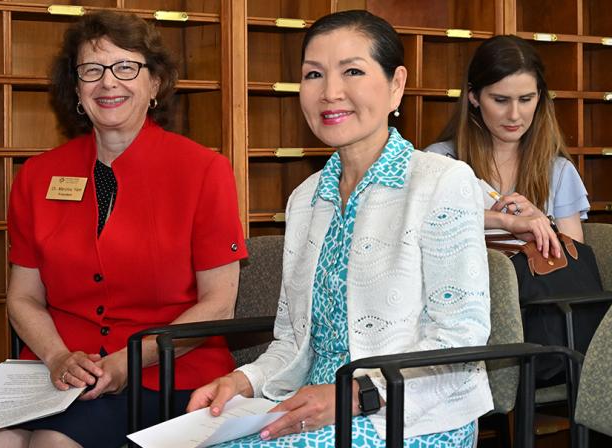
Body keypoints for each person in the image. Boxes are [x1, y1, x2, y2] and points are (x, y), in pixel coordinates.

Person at [186, 10, 493, 447]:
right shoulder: (306, 199)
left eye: (352, 71)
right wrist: (242, 382)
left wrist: (353, 396)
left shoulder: (442, 180)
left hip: (413, 417)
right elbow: (293, 342)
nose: (330, 92)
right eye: (314, 74)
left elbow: (459, 338)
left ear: (396, 85)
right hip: (312, 404)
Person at [0, 10, 247, 448]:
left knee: (53, 444)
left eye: (126, 67)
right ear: (76, 89)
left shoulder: (204, 170)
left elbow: (218, 306)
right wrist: (58, 356)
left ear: (154, 84)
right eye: (91, 70)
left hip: (163, 372)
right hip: (58, 371)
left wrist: (124, 364)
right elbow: (23, 297)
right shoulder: (38, 176)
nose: (108, 82)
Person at [426, 35, 590, 259]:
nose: (514, 115)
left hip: (537, 292)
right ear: (474, 97)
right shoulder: (439, 161)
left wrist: (543, 223)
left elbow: (574, 262)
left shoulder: (559, 171)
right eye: (501, 100)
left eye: (525, 100)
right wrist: (506, 221)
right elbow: (423, 222)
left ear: (539, 97)